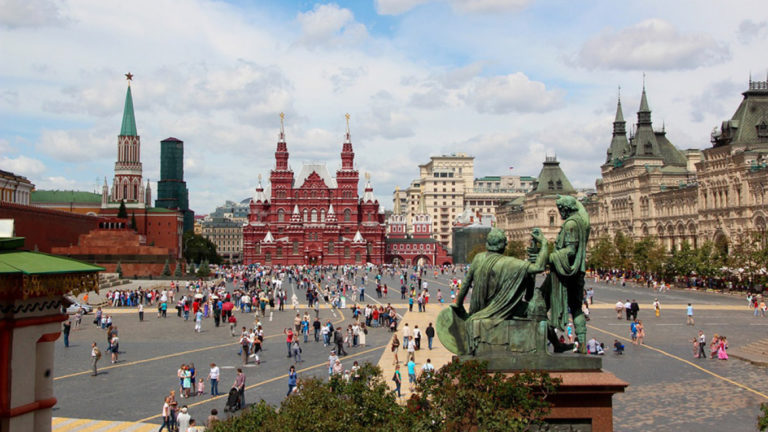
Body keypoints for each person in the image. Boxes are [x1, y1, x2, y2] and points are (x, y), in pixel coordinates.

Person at [450, 227, 550, 355]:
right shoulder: (511, 263)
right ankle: (546, 348)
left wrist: (458, 303)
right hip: (501, 309)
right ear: (503, 245)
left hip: (479, 309)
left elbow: (465, 283)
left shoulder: (478, 258)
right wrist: (544, 244)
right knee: (537, 311)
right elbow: (539, 267)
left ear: (487, 244)